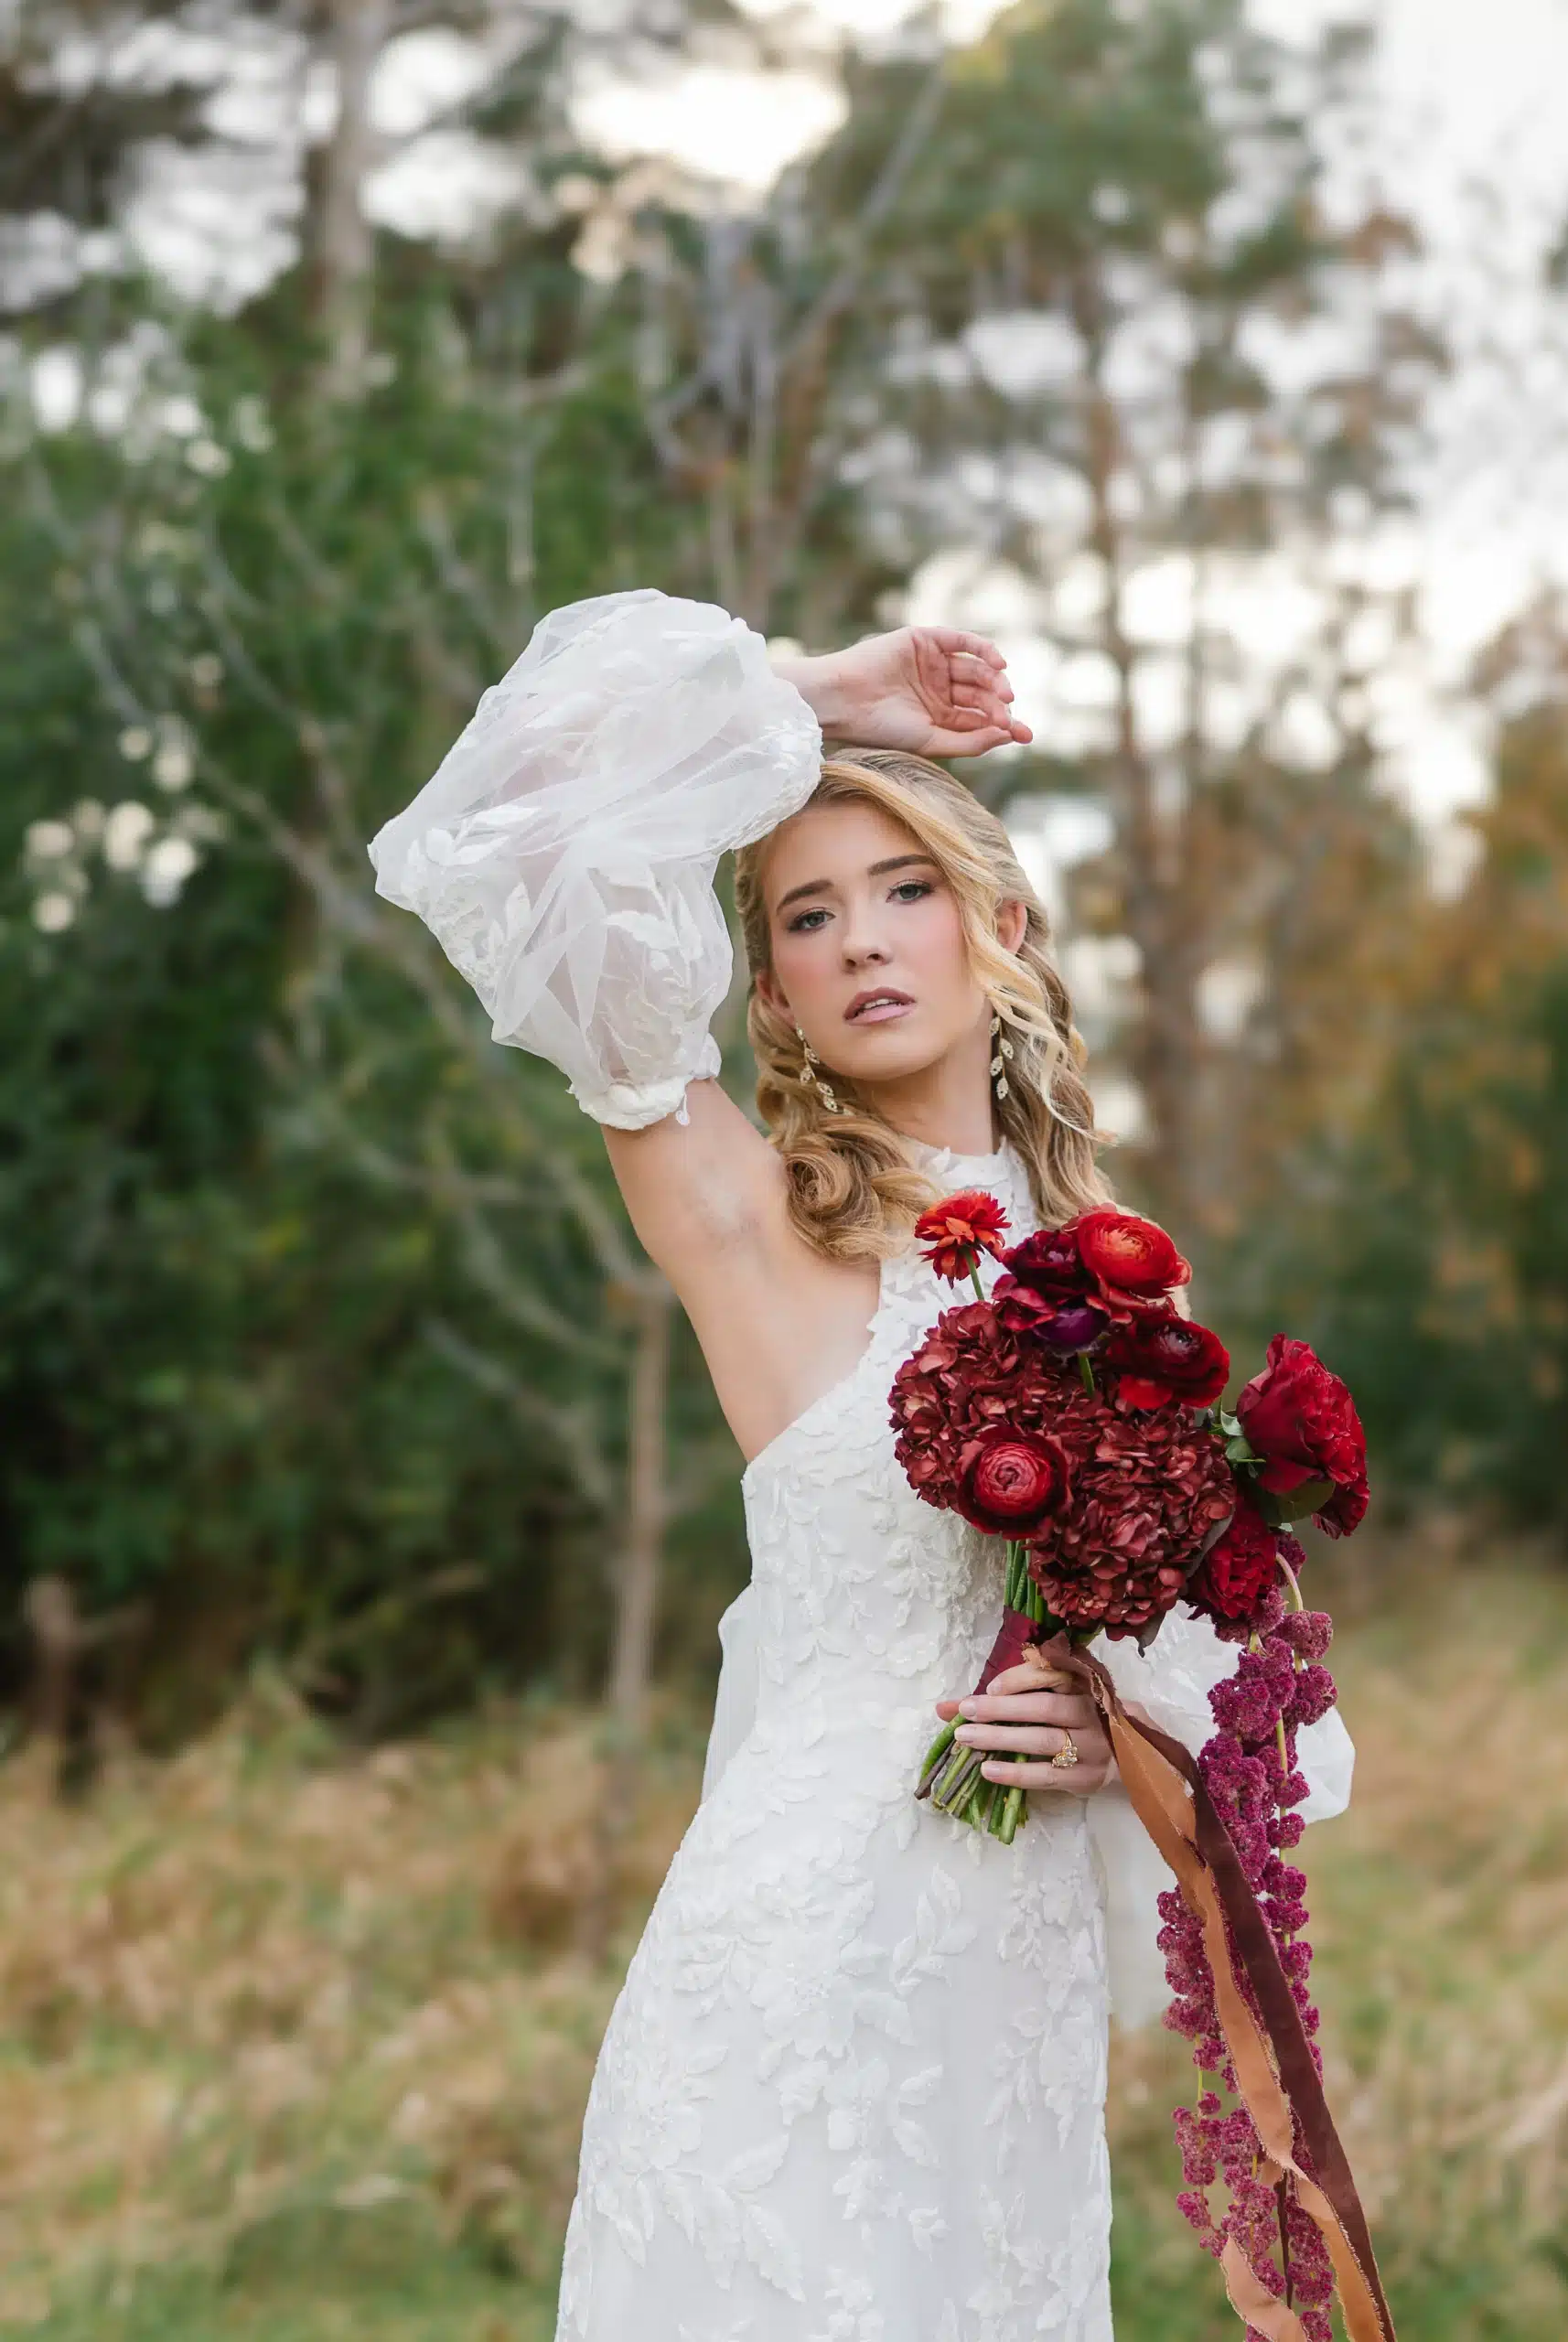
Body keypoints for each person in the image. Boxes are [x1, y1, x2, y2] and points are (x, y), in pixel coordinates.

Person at [368, 589, 1353, 2341]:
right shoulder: (747, 1216)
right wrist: (818, 698)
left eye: (902, 891)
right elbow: (524, 814)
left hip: (1006, 2001)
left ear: (999, 928)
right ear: (772, 990)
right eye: (807, 917)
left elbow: (1227, 1689)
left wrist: (1106, 1736)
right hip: (794, 1955)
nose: (860, 943)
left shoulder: (1122, 1284)